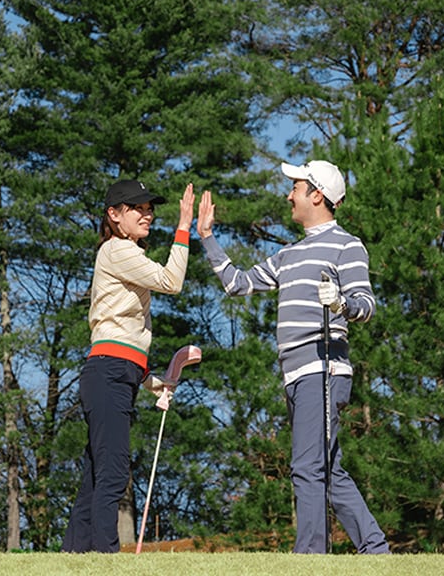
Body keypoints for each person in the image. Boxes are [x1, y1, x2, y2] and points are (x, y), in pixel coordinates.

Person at [196, 160, 388, 554]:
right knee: (327, 468)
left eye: (296, 188)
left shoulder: (347, 245)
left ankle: (310, 557)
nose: (289, 195)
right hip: (296, 373)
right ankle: (374, 549)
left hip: (324, 368)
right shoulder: (289, 254)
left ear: (317, 195)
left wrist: (340, 303)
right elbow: (238, 283)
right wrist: (207, 237)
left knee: (307, 467)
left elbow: (366, 304)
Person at [63, 178, 194, 553]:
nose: (147, 213)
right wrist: (183, 228)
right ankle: (106, 555)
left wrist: (154, 382)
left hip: (113, 371)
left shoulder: (124, 253)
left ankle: (75, 555)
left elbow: (125, 346)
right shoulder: (118, 250)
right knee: (114, 471)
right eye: (137, 207)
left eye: (149, 207)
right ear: (114, 215)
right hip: (108, 371)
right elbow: (172, 280)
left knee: (96, 475)